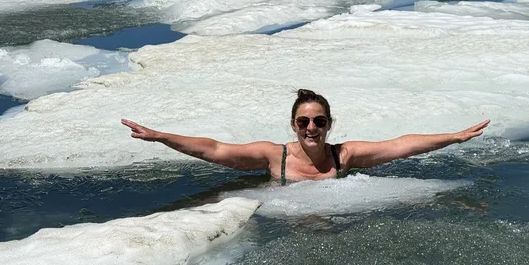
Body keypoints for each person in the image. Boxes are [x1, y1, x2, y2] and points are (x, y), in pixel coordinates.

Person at [121, 89, 488, 184]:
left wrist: (453, 138)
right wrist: (161, 136)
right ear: (293, 124)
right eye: (303, 122)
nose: (311, 128)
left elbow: (400, 145)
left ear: (329, 124)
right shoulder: (272, 156)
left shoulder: (346, 155)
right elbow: (215, 149)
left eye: (318, 121)